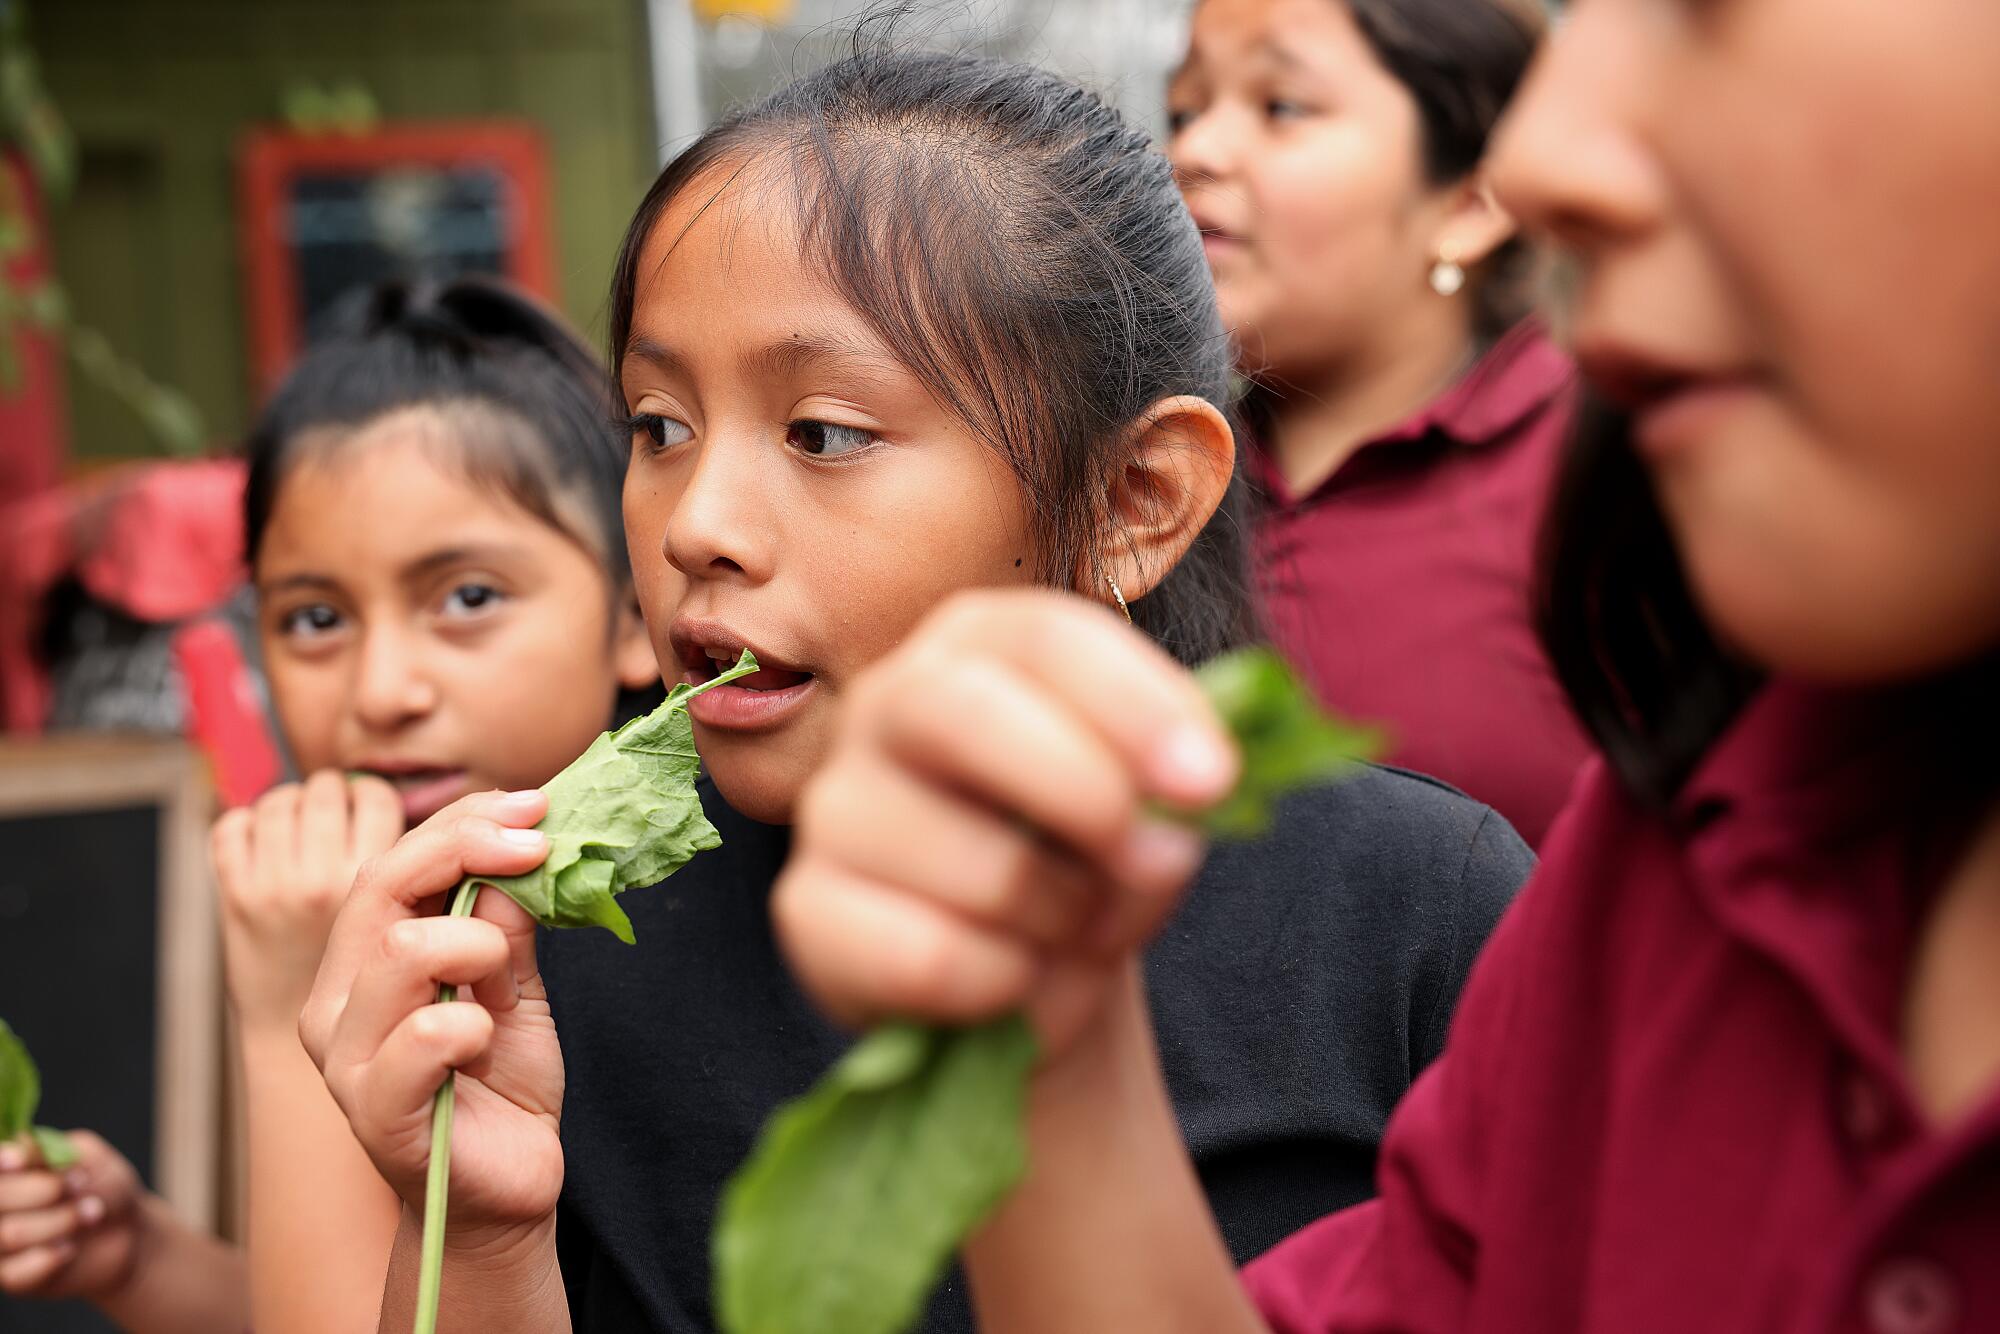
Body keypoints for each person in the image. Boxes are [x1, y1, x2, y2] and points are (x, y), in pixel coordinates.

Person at [765, 0, 2000, 1329]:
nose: (1545, 154)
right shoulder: (1671, 862)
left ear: (1150, 499)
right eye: (1186, 110)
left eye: (1697, 6)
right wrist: (1050, 1047)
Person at [294, 49, 1534, 1333]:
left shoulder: (1410, 913)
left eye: (822, 431)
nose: (694, 524)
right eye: (658, 424)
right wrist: (489, 1231)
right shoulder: (561, 960)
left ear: (1133, 500)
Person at [0, 277, 657, 1334]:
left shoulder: (665, 935)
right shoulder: (373, 901)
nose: (380, 689)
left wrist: (287, 1009)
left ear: (636, 613)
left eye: (468, 597)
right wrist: (138, 1257)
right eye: (313, 617)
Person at [1168, 0, 1587, 845]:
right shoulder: (1143, 479)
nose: (1192, 151)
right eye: (1184, 108)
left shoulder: (1605, 476)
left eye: (1281, 106)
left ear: (1472, 201)